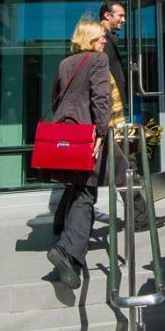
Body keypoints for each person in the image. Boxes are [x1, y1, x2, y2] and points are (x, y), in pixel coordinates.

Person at [45, 19, 111, 289]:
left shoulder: (65, 63)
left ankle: (63, 229)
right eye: (101, 37)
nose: (104, 41)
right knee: (86, 190)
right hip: (86, 132)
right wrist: (101, 132)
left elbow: (55, 97)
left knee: (76, 186)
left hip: (65, 131)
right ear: (91, 38)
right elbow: (100, 98)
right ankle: (68, 252)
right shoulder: (98, 60)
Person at [98, 0, 165, 230]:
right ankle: (139, 218)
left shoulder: (108, 41)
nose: (124, 20)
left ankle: (138, 216)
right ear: (107, 15)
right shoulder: (101, 42)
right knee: (128, 164)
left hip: (112, 113)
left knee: (122, 165)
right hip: (110, 116)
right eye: (120, 15)